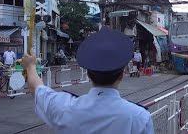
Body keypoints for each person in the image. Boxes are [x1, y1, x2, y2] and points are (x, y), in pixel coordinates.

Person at [21, 27, 154, 134]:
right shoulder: (140, 118)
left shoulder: (64, 107)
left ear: (89, 74)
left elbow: (37, 89)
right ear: (121, 75)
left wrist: (30, 66)